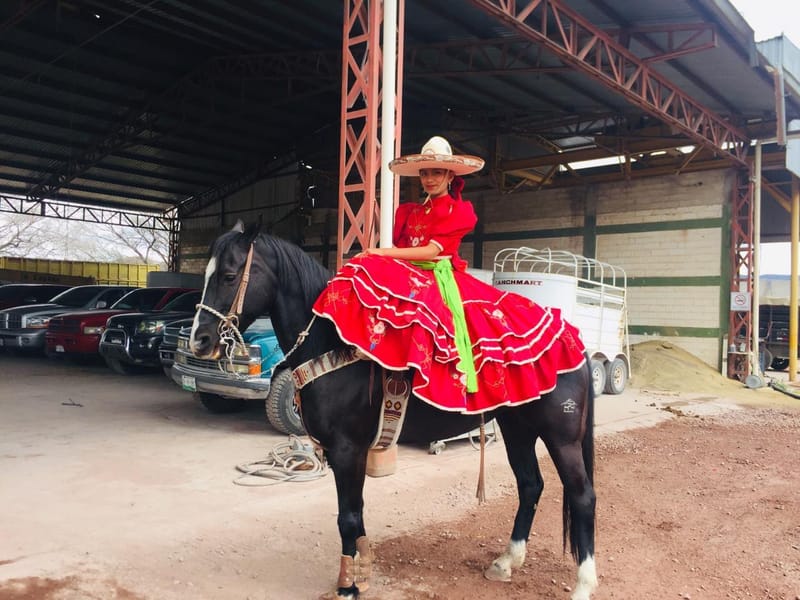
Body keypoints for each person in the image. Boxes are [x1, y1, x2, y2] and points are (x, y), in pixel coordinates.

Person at [312, 136, 586, 414]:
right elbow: (406, 249)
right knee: (363, 272)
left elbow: (431, 251)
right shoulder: (412, 212)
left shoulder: (458, 211)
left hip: (440, 275)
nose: (430, 179)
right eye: (425, 173)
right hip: (411, 274)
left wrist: (381, 253)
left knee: (438, 318)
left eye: (437, 172)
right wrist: (381, 255)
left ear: (450, 175)